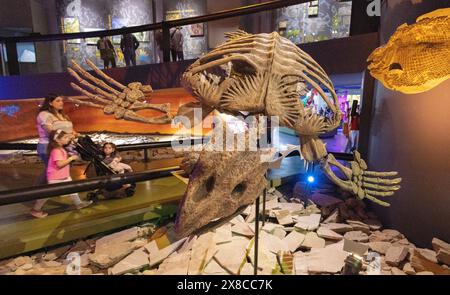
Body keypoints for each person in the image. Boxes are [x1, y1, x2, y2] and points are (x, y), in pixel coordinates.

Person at [30, 130, 92, 218]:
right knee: (48, 194)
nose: (67, 139)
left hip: (63, 176)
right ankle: (35, 210)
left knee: (73, 189)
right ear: (57, 140)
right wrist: (71, 158)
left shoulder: (61, 149)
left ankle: (78, 203)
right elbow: (59, 164)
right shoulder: (56, 150)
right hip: (56, 177)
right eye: (65, 138)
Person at [35, 94, 80, 186]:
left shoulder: (63, 115)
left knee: (56, 169)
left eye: (62, 101)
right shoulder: (44, 115)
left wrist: (74, 134)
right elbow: (52, 133)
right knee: (52, 169)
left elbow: (71, 129)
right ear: (50, 103)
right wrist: (69, 136)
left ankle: (44, 190)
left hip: (62, 146)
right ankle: (37, 191)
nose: (61, 103)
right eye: (58, 101)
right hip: (48, 146)